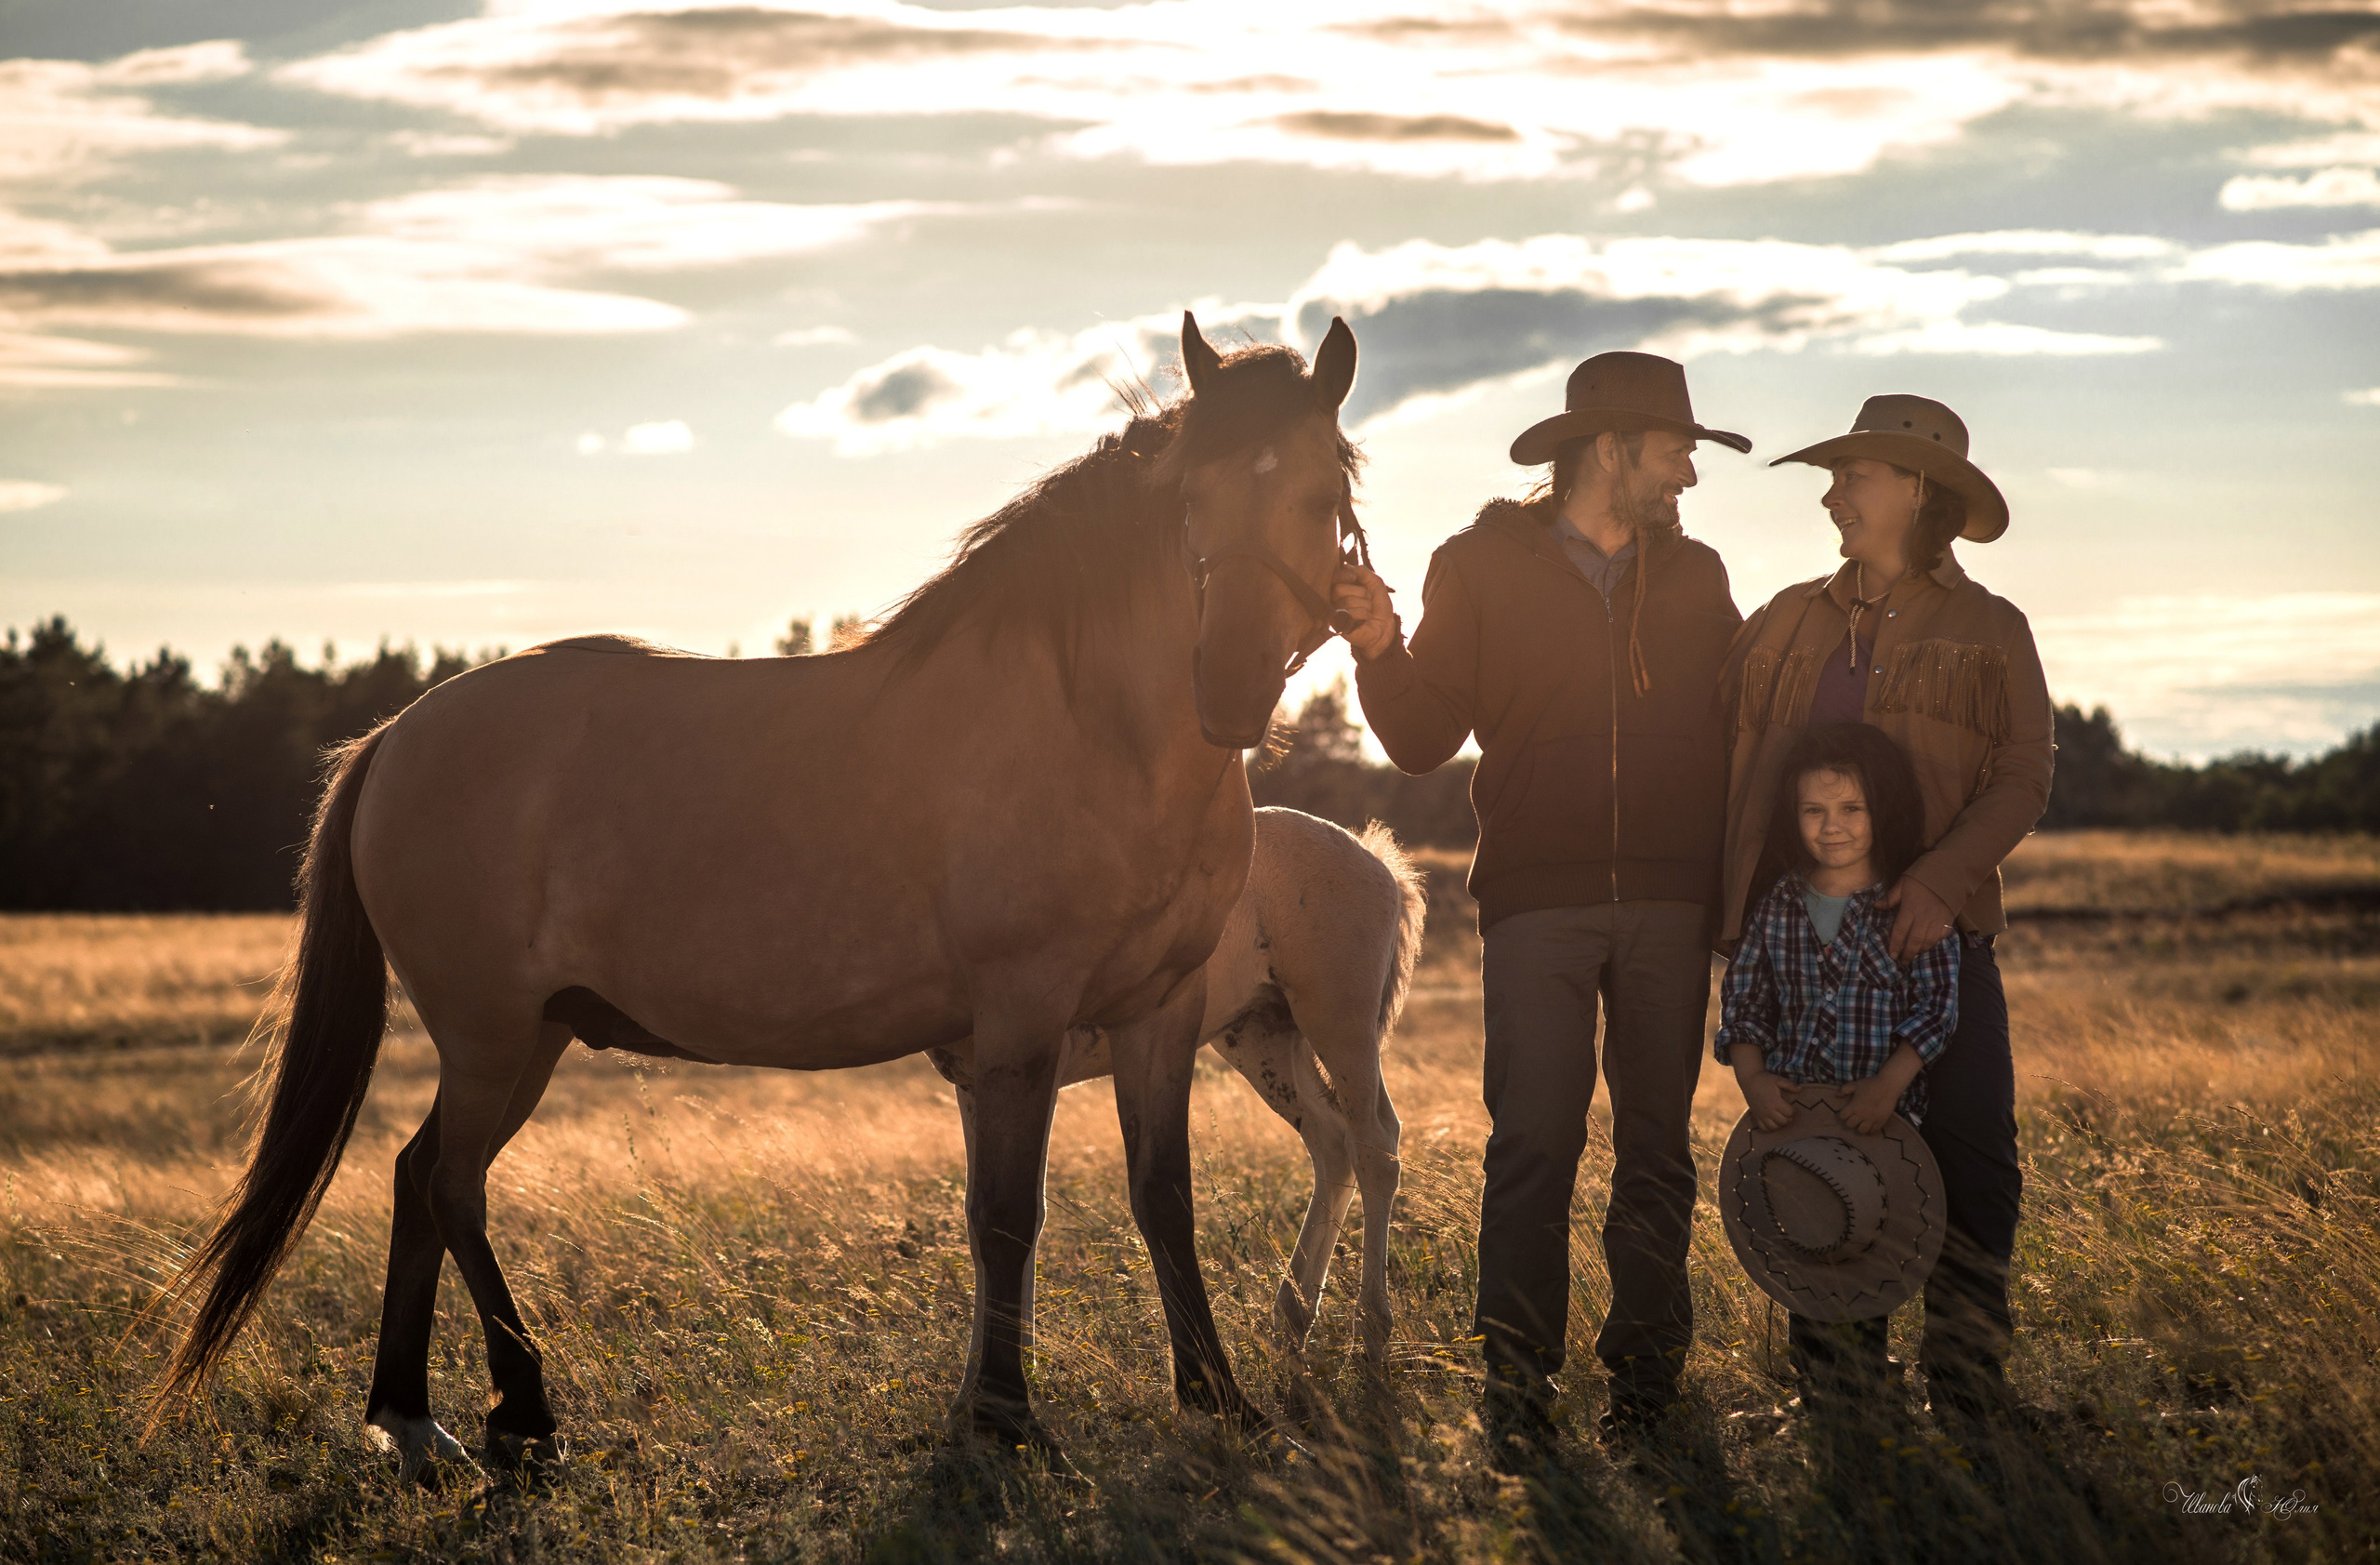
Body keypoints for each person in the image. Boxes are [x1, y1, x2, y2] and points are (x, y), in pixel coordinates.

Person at [1330, 351, 1750, 1453]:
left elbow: (1747, 729)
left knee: (1657, 1150)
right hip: (1535, 908)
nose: (1688, 480)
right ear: (1609, 450)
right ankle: (1515, 1393)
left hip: (1669, 902)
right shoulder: (1474, 568)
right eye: (1676, 454)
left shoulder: (1698, 577)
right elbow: (1421, 739)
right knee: (1533, 1147)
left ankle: (1647, 1390)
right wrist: (1376, 646)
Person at [1718, 394, 2053, 1423]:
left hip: (1938, 939)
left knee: (1975, 1166)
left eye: (1851, 477)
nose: (1830, 495)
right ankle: (1842, 1391)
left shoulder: (1991, 628)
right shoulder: (1783, 619)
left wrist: (1942, 880)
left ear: (1917, 488)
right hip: (1805, 942)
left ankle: (1965, 1386)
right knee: (1826, 1159)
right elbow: (1737, 773)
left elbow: (2023, 774)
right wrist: (1738, 938)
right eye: (1832, 478)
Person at [1718, 722, 1958, 1395]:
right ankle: (1820, 1389)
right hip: (1796, 1121)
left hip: (1877, 1120)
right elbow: (1744, 999)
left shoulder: (1908, 905)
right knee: (1808, 1244)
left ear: (1881, 809)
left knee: (1868, 1246)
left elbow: (1937, 1005)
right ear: (1792, 817)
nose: (1834, 826)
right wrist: (1753, 1077)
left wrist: (1891, 1082)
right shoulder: (1779, 905)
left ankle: (1867, 1384)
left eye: (1852, 808)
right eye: (1814, 810)